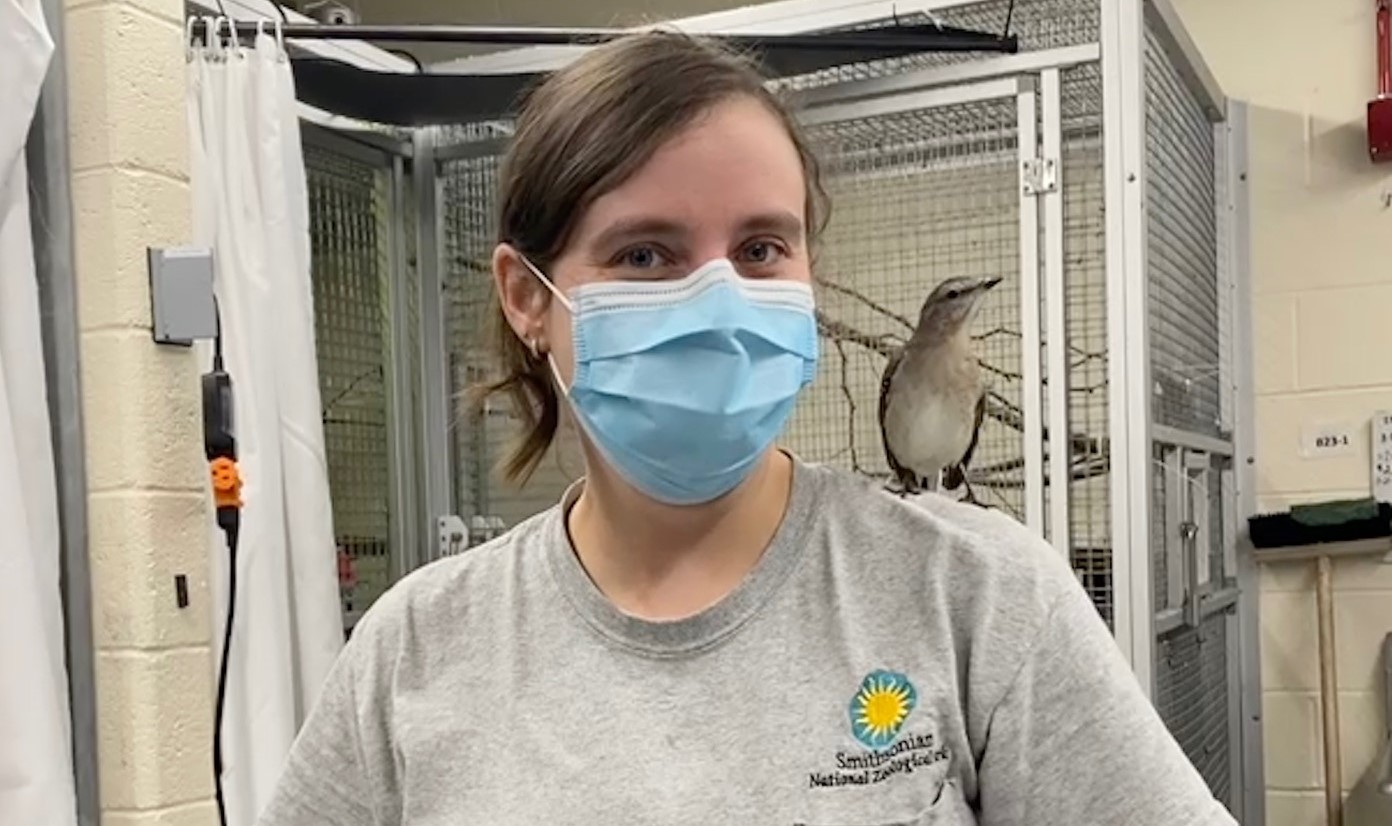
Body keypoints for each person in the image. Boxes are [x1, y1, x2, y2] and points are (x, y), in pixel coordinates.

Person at [256, 31, 1236, 826]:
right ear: (527, 295)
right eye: (646, 254)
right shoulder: (415, 651)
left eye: (763, 246)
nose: (719, 300)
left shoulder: (978, 595)